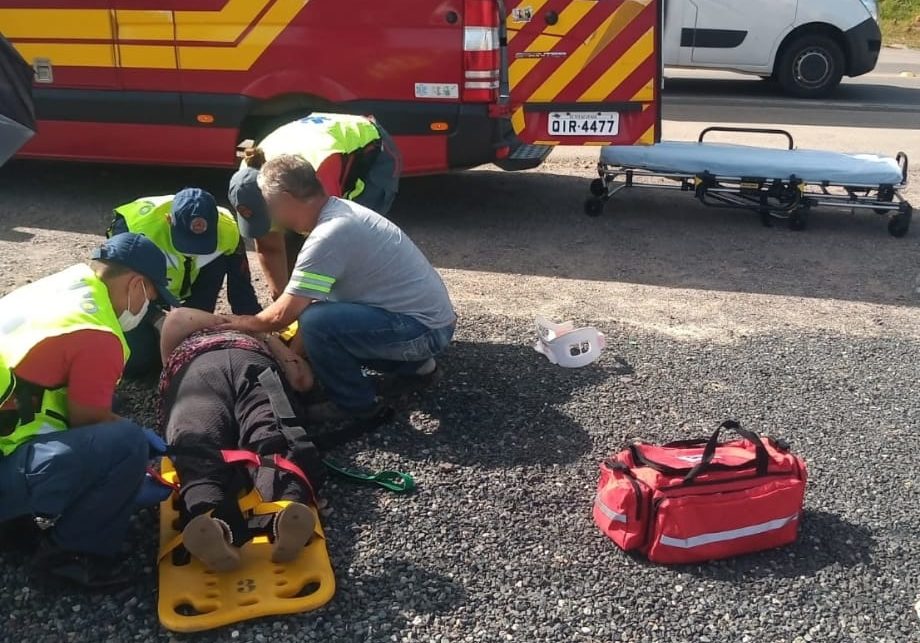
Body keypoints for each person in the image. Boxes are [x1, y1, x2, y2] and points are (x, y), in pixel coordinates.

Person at [216, 154, 455, 423]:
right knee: (325, 321)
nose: (273, 216)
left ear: (285, 198)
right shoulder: (341, 211)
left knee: (317, 322)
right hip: (432, 322)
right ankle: (418, 369)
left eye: (272, 206)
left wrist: (240, 324)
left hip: (423, 332)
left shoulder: (328, 236)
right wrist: (295, 357)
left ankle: (355, 405)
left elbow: (284, 315)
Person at [0, 233, 178, 589]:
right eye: (151, 301)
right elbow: (88, 420)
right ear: (136, 284)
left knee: (110, 414)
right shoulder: (98, 333)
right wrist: (135, 459)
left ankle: (11, 525)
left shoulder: (63, 286)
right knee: (125, 443)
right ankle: (70, 556)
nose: (147, 311)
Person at [157, 307, 320, 572]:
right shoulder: (260, 334)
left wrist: (254, 328)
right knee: (272, 436)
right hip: (254, 364)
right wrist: (259, 330)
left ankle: (210, 519)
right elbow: (302, 380)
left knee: (197, 447)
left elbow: (176, 318)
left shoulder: (188, 338)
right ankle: (285, 506)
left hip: (196, 371)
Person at [228, 113, 402, 300]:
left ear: (282, 198)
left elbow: (333, 236)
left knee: (354, 237)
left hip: (369, 146)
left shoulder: (317, 172)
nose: (272, 226)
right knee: (296, 240)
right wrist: (281, 301)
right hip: (312, 145)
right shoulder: (247, 176)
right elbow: (268, 247)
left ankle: (368, 303)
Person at [107, 187, 261, 377]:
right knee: (138, 363)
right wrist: (156, 318)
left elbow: (241, 289)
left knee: (192, 349)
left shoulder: (228, 229)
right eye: (186, 242)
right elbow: (116, 291)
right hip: (149, 290)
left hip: (197, 284)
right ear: (168, 220)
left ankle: (193, 322)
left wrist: (257, 329)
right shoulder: (135, 231)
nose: (192, 251)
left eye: (202, 244)